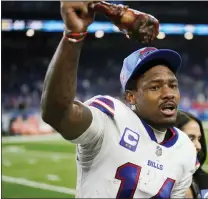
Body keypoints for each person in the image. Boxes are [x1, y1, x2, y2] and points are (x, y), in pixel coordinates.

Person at [41, 2, 197, 198]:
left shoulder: (186, 149)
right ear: (131, 96)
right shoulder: (111, 118)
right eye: (155, 87)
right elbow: (58, 113)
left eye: (173, 85)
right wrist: (73, 35)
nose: (168, 93)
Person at [175, 110, 208, 198]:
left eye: (199, 138)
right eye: (191, 138)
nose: (199, 146)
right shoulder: (150, 182)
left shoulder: (204, 180)